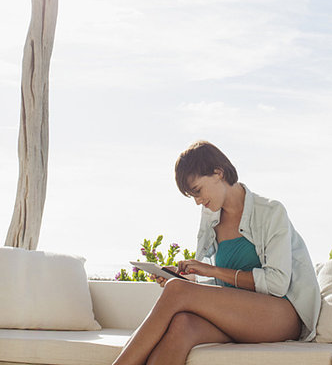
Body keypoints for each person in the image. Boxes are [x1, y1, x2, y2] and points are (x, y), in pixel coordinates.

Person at [112, 140, 321, 365]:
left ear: (218, 173)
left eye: (198, 191)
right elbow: (222, 287)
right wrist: (188, 277)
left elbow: (277, 283)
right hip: (236, 314)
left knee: (176, 291)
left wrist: (207, 271)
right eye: (192, 196)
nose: (197, 201)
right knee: (183, 325)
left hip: (280, 314)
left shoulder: (271, 211)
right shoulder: (211, 219)